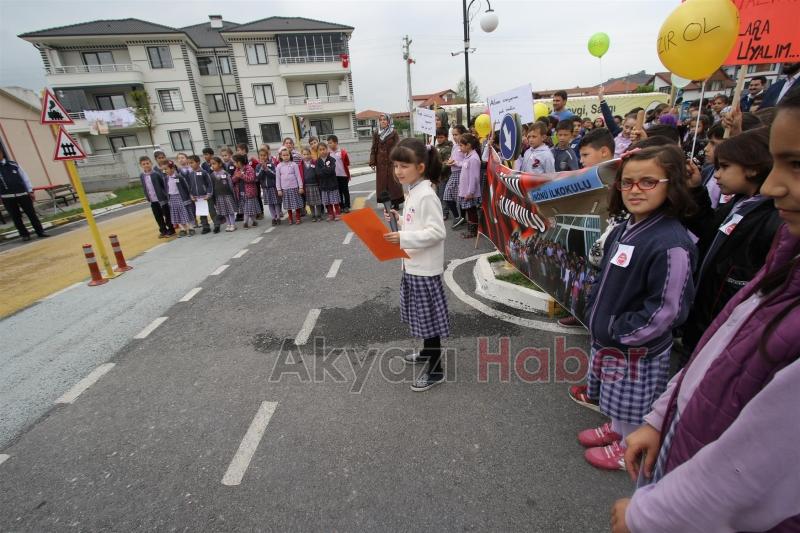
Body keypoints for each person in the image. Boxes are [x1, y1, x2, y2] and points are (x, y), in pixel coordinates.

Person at [611, 92, 800, 533]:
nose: (774, 186)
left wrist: (646, 516)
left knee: (631, 390)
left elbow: (751, 464)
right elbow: (718, 352)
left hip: (695, 508)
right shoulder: (786, 263)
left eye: (797, 165)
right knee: (623, 396)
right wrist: (661, 419)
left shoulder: (674, 240)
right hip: (680, 442)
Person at [580, 145, 697, 471]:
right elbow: (604, 277)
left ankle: (629, 444)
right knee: (616, 395)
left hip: (636, 346)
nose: (635, 190)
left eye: (648, 182)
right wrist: (595, 311)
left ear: (670, 184)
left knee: (634, 400)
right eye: (627, 182)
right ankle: (617, 428)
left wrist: (622, 332)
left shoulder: (670, 242)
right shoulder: (623, 228)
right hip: (611, 339)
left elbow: (667, 310)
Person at [678, 127, 782, 364]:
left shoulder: (771, 219)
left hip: (721, 331)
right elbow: (707, 229)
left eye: (724, 167)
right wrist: (695, 190)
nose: (716, 175)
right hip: (703, 322)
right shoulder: (741, 203)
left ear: (753, 167)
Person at [382, 138, 449, 392]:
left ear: (420, 167)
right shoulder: (413, 191)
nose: (398, 171)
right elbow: (416, 225)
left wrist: (403, 237)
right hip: (412, 266)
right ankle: (425, 353)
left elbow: (436, 232)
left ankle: (436, 371)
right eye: (395, 166)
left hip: (424, 270)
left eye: (404, 166)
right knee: (422, 318)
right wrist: (400, 221)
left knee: (428, 321)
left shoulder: (426, 195)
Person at [369, 113, 402, 210]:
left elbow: (398, 146)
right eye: (381, 120)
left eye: (384, 119)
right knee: (383, 184)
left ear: (388, 121)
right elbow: (374, 147)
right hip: (381, 162)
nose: (382, 121)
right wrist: (372, 161)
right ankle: (387, 202)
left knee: (394, 182)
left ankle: (396, 202)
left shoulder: (393, 132)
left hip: (392, 161)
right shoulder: (376, 133)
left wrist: (398, 159)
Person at [138, 155, 172, 238]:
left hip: (161, 199)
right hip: (153, 200)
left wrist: (165, 195)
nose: (146, 165)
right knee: (158, 216)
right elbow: (144, 186)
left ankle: (171, 229)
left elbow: (163, 185)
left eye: (147, 163)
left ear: (151, 163)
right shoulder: (142, 176)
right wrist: (147, 196)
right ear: (141, 165)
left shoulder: (156, 174)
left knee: (167, 215)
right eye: (144, 164)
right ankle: (163, 230)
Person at [456, 133, 482, 239]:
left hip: (470, 192)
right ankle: (471, 230)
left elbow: (474, 177)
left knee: (471, 211)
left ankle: (473, 231)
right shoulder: (468, 156)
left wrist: (470, 192)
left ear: (469, 145)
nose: (460, 148)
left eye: (461, 145)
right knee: (469, 210)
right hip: (465, 190)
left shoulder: (474, 159)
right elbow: (463, 166)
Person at [163, 161, 194, 237]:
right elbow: (166, 188)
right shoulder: (166, 178)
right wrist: (168, 198)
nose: (165, 171)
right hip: (172, 197)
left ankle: (190, 228)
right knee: (176, 214)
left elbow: (185, 187)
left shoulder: (178, 177)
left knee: (184, 213)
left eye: (166, 169)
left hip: (180, 197)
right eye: (164, 169)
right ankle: (182, 229)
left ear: (172, 168)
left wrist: (189, 195)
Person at [186, 155, 215, 234]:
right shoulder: (191, 174)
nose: (190, 164)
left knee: (212, 211)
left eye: (192, 162)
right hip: (197, 197)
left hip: (206, 196)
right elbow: (190, 186)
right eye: (189, 163)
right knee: (202, 213)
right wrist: (191, 195)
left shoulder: (204, 172)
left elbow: (209, 184)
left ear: (198, 162)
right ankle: (206, 227)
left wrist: (209, 194)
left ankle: (216, 225)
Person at [276, 147, 304, 225]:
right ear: (281, 156)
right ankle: (290, 219)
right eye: (284, 155)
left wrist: (300, 187)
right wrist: (279, 189)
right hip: (285, 189)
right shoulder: (279, 166)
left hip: (294, 188)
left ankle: (298, 218)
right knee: (288, 205)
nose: (286, 156)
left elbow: (298, 176)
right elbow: (277, 179)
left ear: (290, 155)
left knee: (296, 204)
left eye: (287, 155)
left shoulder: (294, 164)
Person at [232, 154, 260, 229]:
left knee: (248, 208)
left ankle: (245, 223)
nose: (234, 164)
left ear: (239, 162)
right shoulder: (237, 170)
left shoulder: (249, 168)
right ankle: (254, 221)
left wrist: (242, 176)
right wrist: (236, 177)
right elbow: (233, 179)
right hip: (241, 192)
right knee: (247, 209)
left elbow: (251, 179)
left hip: (249, 193)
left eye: (234, 162)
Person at [210, 156, 237, 232]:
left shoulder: (225, 173)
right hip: (219, 196)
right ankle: (228, 224)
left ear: (220, 164)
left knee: (230, 210)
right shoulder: (212, 175)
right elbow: (212, 187)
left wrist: (233, 195)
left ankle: (233, 224)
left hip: (227, 195)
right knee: (224, 212)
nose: (212, 165)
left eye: (214, 163)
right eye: (211, 164)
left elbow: (230, 185)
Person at [326, 135, 351, 213]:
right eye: (328, 143)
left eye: (331, 143)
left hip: (343, 175)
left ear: (336, 143)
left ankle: (347, 206)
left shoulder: (342, 152)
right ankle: (341, 206)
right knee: (338, 192)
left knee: (345, 191)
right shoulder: (328, 153)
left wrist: (347, 174)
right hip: (334, 176)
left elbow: (347, 163)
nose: (329, 145)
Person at [256, 146, 280, 226]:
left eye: (264, 155)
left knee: (276, 203)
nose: (263, 157)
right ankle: (273, 217)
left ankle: (278, 217)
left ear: (267, 156)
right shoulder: (258, 166)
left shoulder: (272, 164)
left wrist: (267, 169)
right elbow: (258, 177)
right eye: (261, 155)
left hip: (273, 187)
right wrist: (262, 169)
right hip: (265, 188)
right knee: (270, 204)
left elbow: (275, 175)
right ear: (258, 156)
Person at [434, 127, 454, 221]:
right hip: (437, 176)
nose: (439, 139)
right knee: (437, 195)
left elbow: (446, 162)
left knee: (443, 195)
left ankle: (445, 213)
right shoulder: (436, 147)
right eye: (437, 137)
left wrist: (438, 169)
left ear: (446, 137)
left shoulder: (448, 148)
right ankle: (440, 211)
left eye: (441, 137)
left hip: (444, 175)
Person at [317, 143, 341, 221]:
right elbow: (318, 173)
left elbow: (331, 170)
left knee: (335, 200)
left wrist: (323, 170)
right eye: (320, 150)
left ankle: (337, 213)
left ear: (327, 149)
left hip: (332, 184)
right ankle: (330, 214)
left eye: (324, 149)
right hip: (323, 185)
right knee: (327, 202)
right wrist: (326, 170)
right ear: (318, 151)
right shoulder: (317, 162)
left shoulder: (332, 159)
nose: (322, 151)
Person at [301, 147, 323, 222]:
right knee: (310, 202)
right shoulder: (301, 164)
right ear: (302, 155)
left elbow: (318, 173)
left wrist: (319, 183)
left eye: (307, 154)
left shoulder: (314, 162)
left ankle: (319, 215)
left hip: (315, 185)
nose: (306, 156)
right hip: (307, 186)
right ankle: (313, 215)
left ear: (310, 154)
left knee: (318, 201)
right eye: (304, 154)